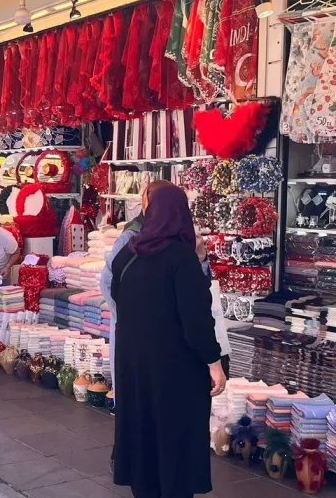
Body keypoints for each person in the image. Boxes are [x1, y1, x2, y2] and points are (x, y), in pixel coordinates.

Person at [110, 184, 226, 498]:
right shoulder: (180, 258)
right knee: (175, 439)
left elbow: (118, 296)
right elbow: (196, 319)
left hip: (134, 364)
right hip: (175, 369)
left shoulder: (128, 253)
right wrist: (214, 363)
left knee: (142, 431)